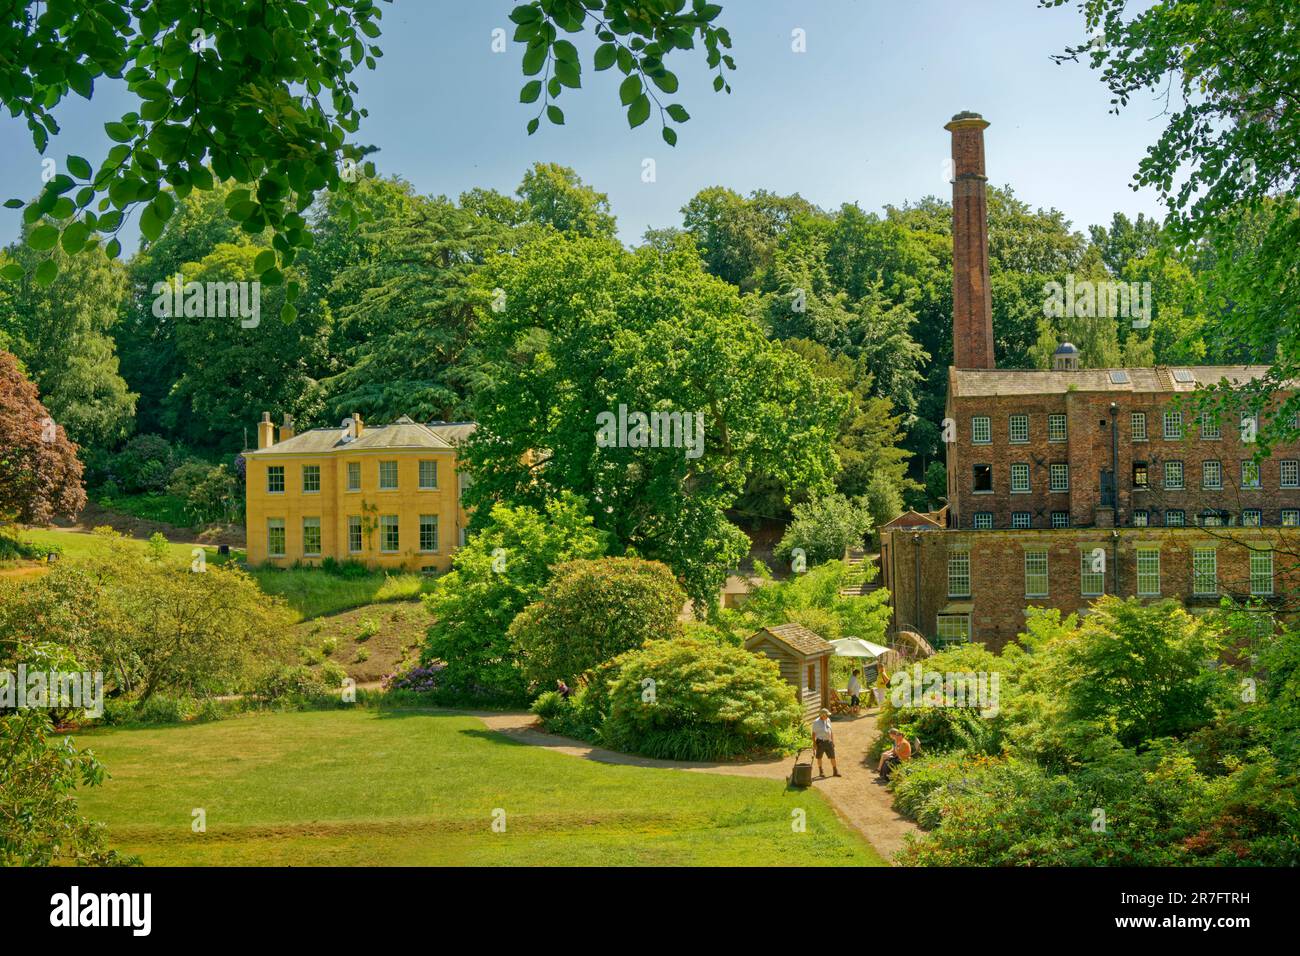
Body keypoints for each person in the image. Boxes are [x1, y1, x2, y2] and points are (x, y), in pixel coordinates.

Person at [811, 708, 840, 778]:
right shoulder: (816, 722)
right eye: (827, 715)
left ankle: (835, 771)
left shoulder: (828, 720)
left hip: (829, 742)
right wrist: (814, 744)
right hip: (820, 742)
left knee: (833, 757)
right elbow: (813, 734)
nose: (828, 716)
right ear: (822, 715)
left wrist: (832, 741)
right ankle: (821, 772)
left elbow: (831, 731)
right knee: (819, 757)